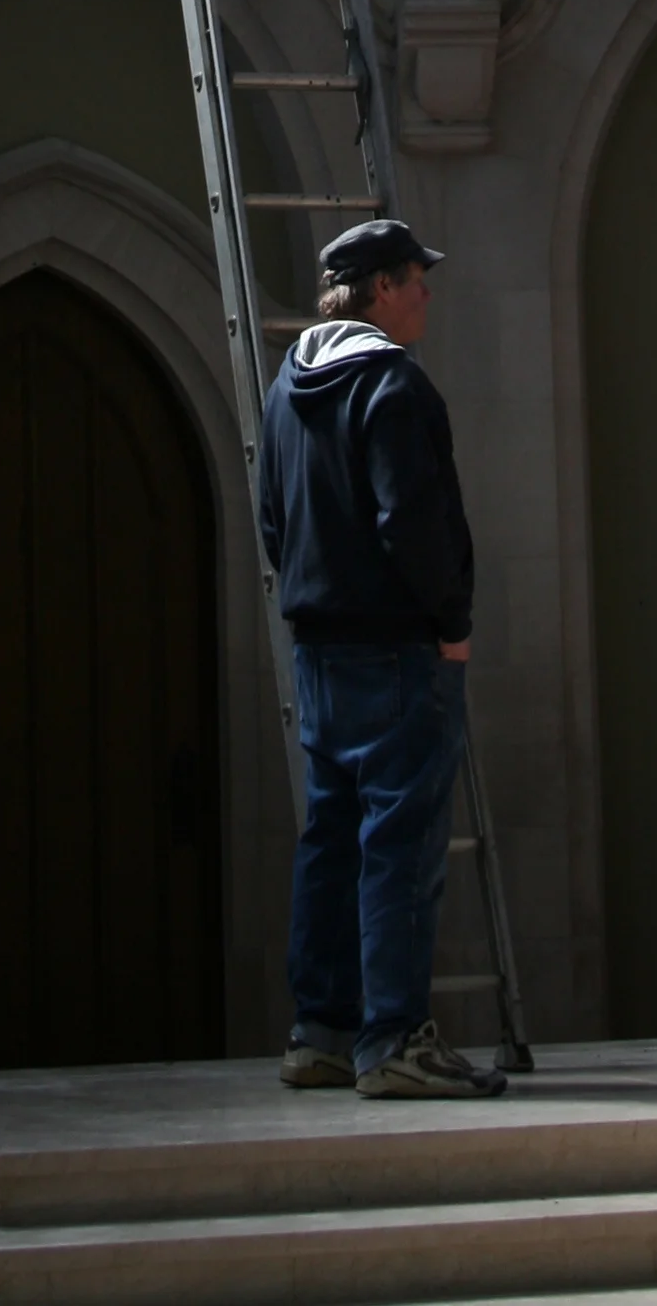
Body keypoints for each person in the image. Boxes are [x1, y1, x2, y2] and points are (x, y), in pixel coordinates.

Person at [255, 216, 507, 1101]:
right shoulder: (393, 387)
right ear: (379, 291)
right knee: (399, 842)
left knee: (330, 839)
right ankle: (395, 1037)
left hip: (319, 652)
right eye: (414, 278)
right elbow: (415, 522)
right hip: (399, 651)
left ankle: (321, 1033)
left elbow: (273, 519)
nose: (426, 293)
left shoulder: (287, 387)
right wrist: (450, 621)